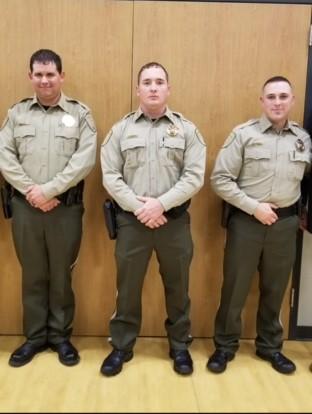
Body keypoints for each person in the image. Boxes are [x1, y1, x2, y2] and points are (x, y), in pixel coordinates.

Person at [100, 62, 206, 376]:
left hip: (173, 224)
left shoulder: (187, 129)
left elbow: (194, 176)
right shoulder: (121, 130)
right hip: (132, 224)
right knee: (127, 288)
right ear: (138, 89)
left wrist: (160, 204)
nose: (153, 87)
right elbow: (110, 176)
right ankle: (121, 346)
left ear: (168, 89)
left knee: (178, 288)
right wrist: (139, 208)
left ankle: (180, 346)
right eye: (147, 82)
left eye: (160, 81)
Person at [208, 76, 311, 375]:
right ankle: (225, 346)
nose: (277, 102)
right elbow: (220, 180)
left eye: (283, 96)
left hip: (285, 225)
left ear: (292, 101)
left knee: (276, 288)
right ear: (262, 101)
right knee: (235, 288)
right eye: (271, 97)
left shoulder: (303, 139)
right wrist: (255, 208)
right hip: (247, 223)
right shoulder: (244, 135)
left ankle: (270, 347)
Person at [0, 49, 97, 367]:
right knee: (33, 275)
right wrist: (33, 193)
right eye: (38, 74)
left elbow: (84, 159)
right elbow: (5, 156)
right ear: (30, 76)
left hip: (64, 209)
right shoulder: (16, 114)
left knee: (61, 274)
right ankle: (34, 337)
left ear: (61, 76)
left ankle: (60, 337)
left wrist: (50, 190)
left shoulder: (80, 113)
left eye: (50, 74)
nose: (44, 80)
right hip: (27, 208)